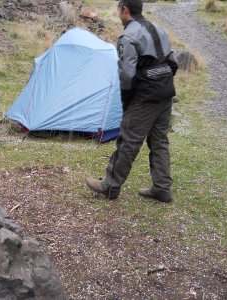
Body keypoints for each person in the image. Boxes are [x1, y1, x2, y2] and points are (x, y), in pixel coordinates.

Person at [86, 0, 178, 203]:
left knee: (128, 141)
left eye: (119, 10)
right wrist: (162, 82)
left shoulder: (128, 36)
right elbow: (173, 63)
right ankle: (162, 188)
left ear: (125, 10)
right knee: (159, 141)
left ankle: (110, 185)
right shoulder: (159, 30)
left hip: (145, 97)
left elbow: (127, 75)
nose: (119, 14)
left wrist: (127, 101)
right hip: (165, 93)